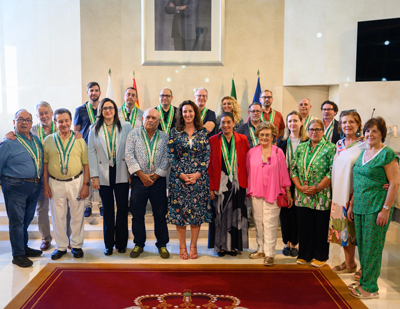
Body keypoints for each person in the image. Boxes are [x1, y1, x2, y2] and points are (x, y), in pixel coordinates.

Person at [348, 117, 399, 299]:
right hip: (360, 206)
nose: (370, 134)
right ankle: (364, 281)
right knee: (363, 247)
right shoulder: (363, 153)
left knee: (372, 249)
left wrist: (386, 209)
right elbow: (358, 181)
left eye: (374, 131)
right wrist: (352, 204)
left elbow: (394, 184)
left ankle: (370, 289)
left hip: (377, 208)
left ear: (382, 134)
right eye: (368, 131)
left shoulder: (387, 154)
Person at [167, 100, 212, 259]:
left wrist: (198, 174)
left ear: (195, 113)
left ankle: (193, 246)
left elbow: (207, 156)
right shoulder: (174, 132)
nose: (187, 114)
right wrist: (181, 174)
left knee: (196, 214)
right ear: (181, 114)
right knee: (180, 214)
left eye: (190, 111)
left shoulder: (203, 132)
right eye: (184, 111)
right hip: (179, 179)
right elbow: (171, 156)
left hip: (199, 179)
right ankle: (182, 246)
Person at [43, 108, 90, 260]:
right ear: (55, 122)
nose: (64, 124)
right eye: (60, 121)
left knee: (77, 216)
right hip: (55, 183)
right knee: (58, 217)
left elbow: (86, 164)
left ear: (71, 121)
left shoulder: (79, 140)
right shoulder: (48, 140)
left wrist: (85, 185)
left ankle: (76, 245)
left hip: (76, 181)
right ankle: (61, 247)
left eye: (66, 121)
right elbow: (45, 164)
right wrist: (45, 184)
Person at [88, 98, 132, 256]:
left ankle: (121, 243)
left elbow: (130, 149)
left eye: (111, 107)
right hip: (102, 173)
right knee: (107, 209)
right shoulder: (94, 128)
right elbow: (91, 152)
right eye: (105, 108)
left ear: (115, 109)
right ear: (101, 111)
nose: (108, 110)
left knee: (122, 208)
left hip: (121, 171)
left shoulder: (126, 126)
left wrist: (130, 172)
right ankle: (108, 244)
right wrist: (94, 176)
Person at [0, 110, 43, 267]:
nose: (24, 122)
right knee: (17, 221)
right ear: (14, 122)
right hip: (15, 186)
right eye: (20, 119)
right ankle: (18, 255)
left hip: (34, 186)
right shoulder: (8, 142)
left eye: (27, 120)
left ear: (32, 123)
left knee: (26, 219)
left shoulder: (36, 140)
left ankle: (23, 247)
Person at [290, 119, 336, 267]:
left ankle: (321, 255)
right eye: (311, 129)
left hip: (321, 194)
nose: (314, 132)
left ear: (323, 131)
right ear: (307, 131)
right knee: (304, 226)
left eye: (317, 129)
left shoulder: (330, 148)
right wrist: (299, 187)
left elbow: (331, 171)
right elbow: (293, 169)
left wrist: (316, 188)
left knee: (320, 226)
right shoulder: (301, 147)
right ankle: (304, 254)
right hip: (302, 194)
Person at [125, 108, 170, 259]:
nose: (151, 120)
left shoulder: (164, 137)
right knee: (137, 214)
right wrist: (142, 176)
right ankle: (139, 244)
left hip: (158, 181)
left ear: (158, 121)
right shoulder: (133, 135)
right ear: (143, 118)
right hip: (139, 181)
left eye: (154, 118)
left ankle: (162, 245)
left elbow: (167, 157)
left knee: (160, 214)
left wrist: (156, 175)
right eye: (148, 117)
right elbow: (129, 156)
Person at [246, 122, 293, 266]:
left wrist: (288, 192)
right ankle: (260, 248)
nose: (264, 137)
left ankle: (270, 253)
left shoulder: (278, 152)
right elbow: (248, 172)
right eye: (262, 135)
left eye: (267, 135)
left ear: (273, 136)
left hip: (273, 192)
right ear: (257, 135)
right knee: (258, 223)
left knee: (270, 224)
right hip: (256, 192)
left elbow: (284, 173)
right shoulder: (251, 152)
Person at [328, 110, 365, 278]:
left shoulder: (364, 145)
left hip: (354, 194)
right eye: (343, 122)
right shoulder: (339, 144)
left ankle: (365, 268)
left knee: (358, 233)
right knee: (343, 232)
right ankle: (350, 263)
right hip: (338, 194)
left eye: (351, 122)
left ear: (358, 125)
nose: (347, 125)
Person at [208, 112, 249, 257]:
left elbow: (247, 162)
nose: (225, 125)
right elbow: (209, 166)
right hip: (220, 184)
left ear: (234, 123)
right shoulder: (213, 140)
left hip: (238, 183)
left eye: (228, 122)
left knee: (236, 214)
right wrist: (211, 187)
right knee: (220, 215)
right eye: (223, 122)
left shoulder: (242, 139)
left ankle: (234, 246)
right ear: (220, 125)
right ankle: (221, 247)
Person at [277, 111, 308, 257]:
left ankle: (295, 243)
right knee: (285, 213)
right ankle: (286, 242)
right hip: (284, 182)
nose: (292, 124)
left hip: (301, 182)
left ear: (301, 122)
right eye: (290, 121)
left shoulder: (306, 142)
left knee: (298, 214)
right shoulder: (282, 142)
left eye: (295, 121)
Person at [74, 82, 102, 217]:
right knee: (87, 175)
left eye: (96, 90)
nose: (94, 93)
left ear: (100, 93)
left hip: (102, 147)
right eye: (91, 90)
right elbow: (76, 131)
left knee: (102, 175)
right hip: (85, 147)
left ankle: (102, 204)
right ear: (87, 93)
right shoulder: (80, 110)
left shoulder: (104, 108)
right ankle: (88, 205)